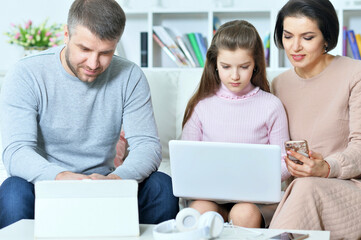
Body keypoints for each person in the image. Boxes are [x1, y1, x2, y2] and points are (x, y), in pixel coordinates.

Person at [0, 0, 179, 229]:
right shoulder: (26, 74)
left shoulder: (130, 76)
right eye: (85, 49)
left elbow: (147, 146)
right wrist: (62, 177)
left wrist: (115, 180)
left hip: (106, 185)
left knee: (162, 186)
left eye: (106, 53)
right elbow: (16, 151)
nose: (94, 63)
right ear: (66, 34)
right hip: (47, 186)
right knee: (13, 191)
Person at [181, 20, 291, 228]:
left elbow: (285, 161)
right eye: (226, 67)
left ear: (256, 64)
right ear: (214, 64)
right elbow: (186, 159)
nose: (234, 76)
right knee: (199, 211)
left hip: (254, 200)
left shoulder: (271, 106)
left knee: (244, 214)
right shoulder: (202, 105)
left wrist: (256, 179)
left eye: (244, 67)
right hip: (210, 196)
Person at [269, 0, 361, 239]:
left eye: (307, 37)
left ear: (326, 38)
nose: (295, 47)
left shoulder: (355, 74)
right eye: (288, 36)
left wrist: (327, 167)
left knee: (306, 186)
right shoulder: (278, 85)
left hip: (350, 187)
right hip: (298, 191)